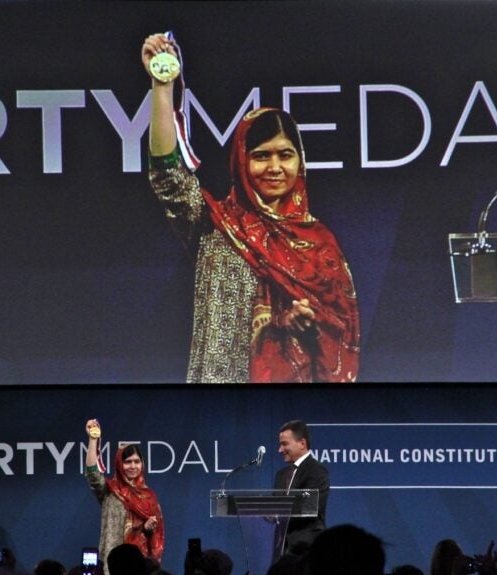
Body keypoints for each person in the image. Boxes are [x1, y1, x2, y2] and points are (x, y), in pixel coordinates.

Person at [141, 33, 360, 384]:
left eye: (285, 155)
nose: (275, 167)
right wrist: (162, 86)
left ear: (300, 162)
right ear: (241, 161)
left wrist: (299, 324)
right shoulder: (213, 225)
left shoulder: (319, 246)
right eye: (260, 156)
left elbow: (342, 334)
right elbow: (167, 173)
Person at [84, 420, 164, 575]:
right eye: (127, 462)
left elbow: (156, 537)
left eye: (137, 462)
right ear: (119, 464)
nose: (133, 466)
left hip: (139, 565)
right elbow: (92, 473)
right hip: (112, 565)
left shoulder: (149, 496)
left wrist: (147, 529)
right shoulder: (109, 491)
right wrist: (93, 439)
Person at [274, 420, 329, 556]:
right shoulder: (281, 475)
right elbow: (275, 507)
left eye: (284, 444)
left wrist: (278, 513)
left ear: (302, 444)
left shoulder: (317, 471)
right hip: (282, 550)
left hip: (307, 550)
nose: (280, 450)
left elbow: (309, 507)